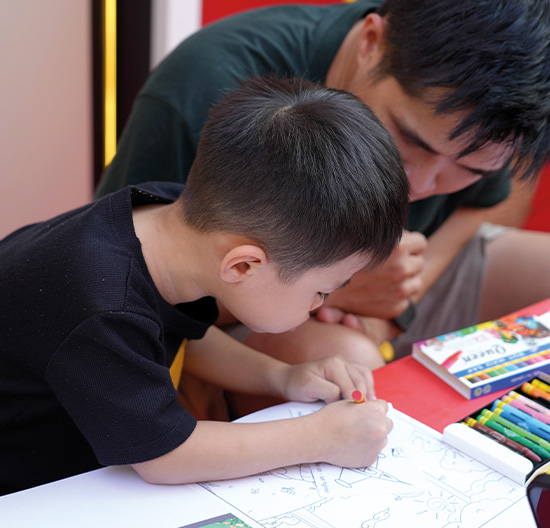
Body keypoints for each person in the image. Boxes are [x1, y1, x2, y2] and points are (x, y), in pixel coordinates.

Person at [95, 0, 550, 416]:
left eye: (469, 168)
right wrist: (333, 287)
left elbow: (488, 204)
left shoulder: (492, 111)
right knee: (347, 369)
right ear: (371, 41)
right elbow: (119, 289)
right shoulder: (202, 86)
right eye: (411, 140)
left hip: (390, 282)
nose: (422, 185)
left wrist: (402, 294)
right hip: (240, 309)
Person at [0, 76, 409, 495]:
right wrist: (321, 437)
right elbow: (165, 456)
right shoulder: (104, 306)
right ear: (244, 265)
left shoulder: (172, 222)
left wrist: (283, 377)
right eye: (322, 290)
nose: (321, 304)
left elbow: (175, 337)